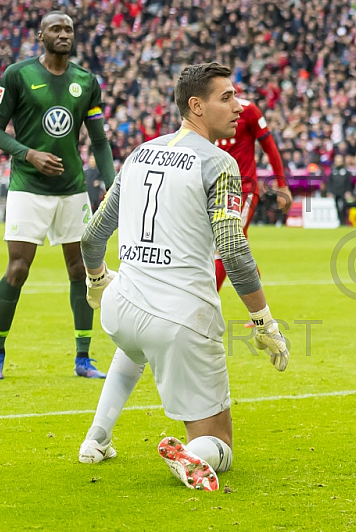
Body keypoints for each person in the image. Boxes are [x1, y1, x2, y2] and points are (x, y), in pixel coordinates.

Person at [77, 63, 290, 491]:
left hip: (122, 308)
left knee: (132, 347)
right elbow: (232, 249)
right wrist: (265, 321)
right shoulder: (219, 162)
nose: (238, 106)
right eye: (226, 97)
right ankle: (194, 454)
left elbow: (93, 233)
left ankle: (95, 441)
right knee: (222, 443)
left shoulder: (138, 153)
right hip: (180, 320)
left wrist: (97, 280)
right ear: (196, 106)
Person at [0, 11, 115, 380]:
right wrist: (29, 154)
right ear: (41, 35)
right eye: (56, 28)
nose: (63, 34)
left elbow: (99, 141)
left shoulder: (86, 81)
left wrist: (112, 183)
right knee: (18, 269)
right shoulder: (18, 75)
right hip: (28, 187)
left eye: (69, 29)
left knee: (83, 272)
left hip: (73, 191)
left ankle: (83, 357)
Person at [213, 92, 292, 292]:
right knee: (239, 250)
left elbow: (270, 147)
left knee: (225, 246)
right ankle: (260, 313)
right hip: (215, 190)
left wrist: (282, 185)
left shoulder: (248, 111)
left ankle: (204, 305)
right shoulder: (205, 111)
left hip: (243, 189)